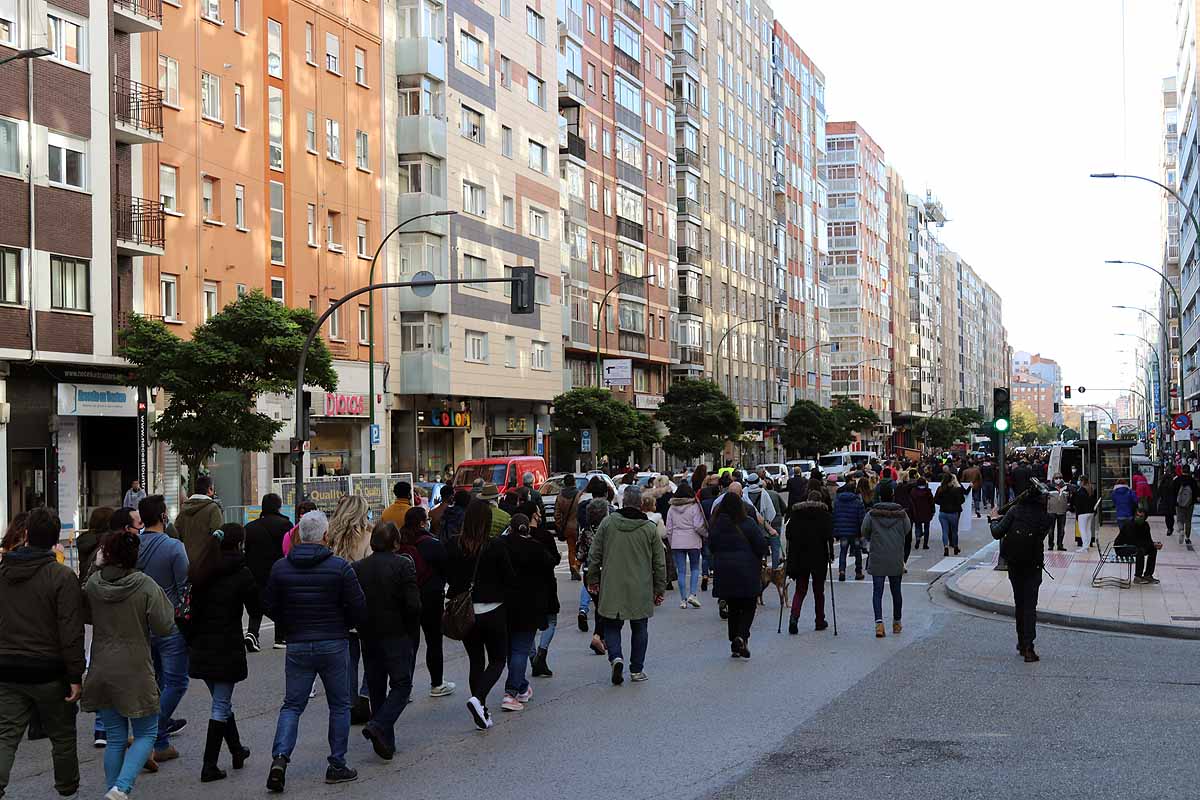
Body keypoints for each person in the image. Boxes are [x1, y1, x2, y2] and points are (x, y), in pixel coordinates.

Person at [263, 510, 368, 792]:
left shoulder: (281, 568)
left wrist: (288, 624)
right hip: (333, 641)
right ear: (325, 536)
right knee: (339, 704)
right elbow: (359, 607)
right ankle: (337, 764)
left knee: (293, 705)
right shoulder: (339, 567)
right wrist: (344, 624)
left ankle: (280, 759)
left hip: (298, 642)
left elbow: (269, 604)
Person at [82, 527, 176, 800]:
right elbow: (164, 624)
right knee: (147, 732)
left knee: (115, 736)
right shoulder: (145, 584)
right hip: (135, 666)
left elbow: (85, 613)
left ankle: (112, 789)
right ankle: (121, 787)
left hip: (101, 666)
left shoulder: (94, 584)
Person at [0, 508, 85, 799]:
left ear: (25, 535)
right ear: (54, 540)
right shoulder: (61, 577)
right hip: (49, 668)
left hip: (7, 665)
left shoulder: (3, 571)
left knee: (6, 733)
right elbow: (71, 630)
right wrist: (75, 674)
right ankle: (67, 786)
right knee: (62, 734)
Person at [186, 522, 260, 782]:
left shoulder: (201, 570)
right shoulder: (241, 572)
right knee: (220, 705)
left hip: (202, 644)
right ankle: (209, 765)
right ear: (240, 544)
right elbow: (255, 606)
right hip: (227, 645)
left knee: (221, 701)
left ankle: (237, 750)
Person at [352, 521, 420, 760]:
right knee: (402, 685)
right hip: (397, 633)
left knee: (377, 687)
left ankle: (385, 742)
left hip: (369, 635)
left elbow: (355, 602)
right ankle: (379, 726)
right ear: (395, 543)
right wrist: (411, 630)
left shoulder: (359, 567)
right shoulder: (403, 565)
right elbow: (413, 605)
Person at [585, 486, 667, 685]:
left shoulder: (608, 524)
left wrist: (593, 579)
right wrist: (659, 589)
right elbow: (659, 562)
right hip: (640, 586)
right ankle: (637, 669)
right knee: (640, 627)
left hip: (612, 583)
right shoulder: (648, 528)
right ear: (640, 504)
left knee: (612, 624)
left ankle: (616, 657)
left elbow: (594, 555)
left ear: (623, 502)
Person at [444, 500, 514, 730]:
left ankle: (481, 708)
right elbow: (509, 578)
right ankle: (479, 699)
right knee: (497, 659)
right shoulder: (496, 546)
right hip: (492, 609)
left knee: (476, 660)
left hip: (465, 612)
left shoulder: (454, 544)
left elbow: (448, 576)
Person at [135, 494, 191, 765]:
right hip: (169, 623)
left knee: (156, 682)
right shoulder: (174, 547)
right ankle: (152, 734)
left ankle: (160, 742)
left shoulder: (132, 546)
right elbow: (185, 588)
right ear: (163, 517)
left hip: (140, 623)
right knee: (177, 681)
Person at [500, 511, 558, 712]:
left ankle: (522, 686)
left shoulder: (502, 546)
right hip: (530, 605)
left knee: (512, 649)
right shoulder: (536, 548)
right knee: (521, 649)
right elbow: (550, 565)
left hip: (505, 604)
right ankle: (511, 692)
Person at [989, 485, 1053, 662]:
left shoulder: (1015, 511)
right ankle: (1029, 646)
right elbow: (1040, 535)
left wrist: (994, 519)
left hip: (1015, 563)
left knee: (1020, 603)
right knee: (1030, 605)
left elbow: (997, 533)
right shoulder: (1046, 518)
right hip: (1033, 563)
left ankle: (1021, 641)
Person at [327, 495, 373, 725]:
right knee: (372, 654)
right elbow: (371, 570)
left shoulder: (331, 538)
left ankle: (351, 702)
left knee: (349, 659)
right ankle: (366, 694)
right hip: (363, 602)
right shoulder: (368, 536)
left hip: (338, 604)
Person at [708, 484, 768, 658]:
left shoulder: (716, 525)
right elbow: (761, 545)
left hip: (724, 570)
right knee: (749, 605)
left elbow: (711, 547)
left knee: (733, 606)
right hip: (747, 570)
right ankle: (741, 636)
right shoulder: (747, 523)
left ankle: (734, 640)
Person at [400, 508, 454, 699]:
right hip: (432, 596)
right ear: (423, 523)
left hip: (407, 597)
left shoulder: (401, 541)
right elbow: (446, 569)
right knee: (433, 640)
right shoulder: (433, 544)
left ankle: (403, 688)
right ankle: (437, 683)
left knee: (409, 642)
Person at [861, 483, 911, 638]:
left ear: (880, 496)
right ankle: (897, 622)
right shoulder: (901, 514)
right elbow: (907, 530)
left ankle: (879, 624)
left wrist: (873, 538)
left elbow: (864, 530)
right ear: (893, 495)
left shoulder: (872, 514)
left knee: (877, 592)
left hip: (878, 556)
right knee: (896, 591)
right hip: (896, 556)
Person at [243, 493, 291, 652]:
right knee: (279, 603)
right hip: (277, 571)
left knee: (256, 607)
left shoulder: (250, 527)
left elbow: (246, 551)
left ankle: (252, 633)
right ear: (279, 506)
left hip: (254, 573)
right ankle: (280, 637)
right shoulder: (285, 525)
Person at [786, 491, 835, 634]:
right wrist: (831, 554)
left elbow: (788, 534)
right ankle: (819, 620)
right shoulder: (825, 516)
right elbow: (829, 537)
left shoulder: (796, 514)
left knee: (800, 590)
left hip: (800, 557)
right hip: (819, 557)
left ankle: (794, 618)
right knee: (819, 590)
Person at [576, 486, 611, 653]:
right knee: (604, 607)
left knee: (599, 605)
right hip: (605, 571)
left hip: (589, 572)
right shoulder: (609, 530)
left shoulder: (585, 531)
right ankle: (598, 636)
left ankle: (601, 638)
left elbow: (579, 554)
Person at [175, 474, 224, 589]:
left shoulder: (183, 509)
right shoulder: (213, 508)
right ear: (210, 489)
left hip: (185, 565)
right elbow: (218, 537)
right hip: (206, 567)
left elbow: (176, 534)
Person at [666, 482, 706, 609]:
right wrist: (705, 534)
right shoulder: (694, 506)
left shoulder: (672, 508)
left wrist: (672, 542)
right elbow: (698, 525)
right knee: (695, 568)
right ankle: (692, 594)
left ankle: (683, 600)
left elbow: (669, 528)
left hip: (677, 541)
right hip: (693, 540)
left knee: (681, 571)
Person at [1115, 508, 1163, 585]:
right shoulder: (1129, 525)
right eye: (1137, 515)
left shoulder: (1145, 525)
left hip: (1135, 546)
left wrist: (1155, 544)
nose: (1138, 517)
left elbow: (1148, 540)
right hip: (1122, 547)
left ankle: (1148, 575)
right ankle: (1138, 576)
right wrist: (1149, 544)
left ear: (1145, 518)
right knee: (1139, 550)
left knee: (1153, 549)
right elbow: (1133, 542)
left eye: (1141, 516)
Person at [744, 473, 782, 568]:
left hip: (746, 526)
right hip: (761, 527)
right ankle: (769, 567)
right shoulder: (763, 493)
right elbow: (770, 512)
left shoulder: (744, 492)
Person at [832, 479, 866, 581]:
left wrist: (836, 530)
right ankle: (858, 572)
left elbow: (835, 516)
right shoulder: (857, 502)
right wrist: (862, 531)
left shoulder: (837, 501)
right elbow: (862, 518)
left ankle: (842, 571)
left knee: (843, 551)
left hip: (842, 530)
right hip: (855, 530)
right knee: (857, 551)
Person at [933, 475, 966, 557]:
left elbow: (936, 500)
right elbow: (962, 500)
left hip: (943, 512)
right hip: (953, 512)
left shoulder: (940, 489)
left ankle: (945, 547)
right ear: (952, 481)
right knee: (954, 531)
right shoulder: (956, 489)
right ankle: (955, 547)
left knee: (945, 531)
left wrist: (942, 503)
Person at [1172, 466, 1199, 544]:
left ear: (1182, 470)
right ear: (1189, 471)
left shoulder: (1177, 480)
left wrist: (1174, 502)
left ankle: (1181, 530)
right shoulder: (1192, 481)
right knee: (1188, 520)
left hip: (1179, 503)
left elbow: (1173, 492)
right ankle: (1187, 537)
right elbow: (1196, 492)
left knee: (1180, 519)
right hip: (1190, 504)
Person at [1072, 475, 1098, 550]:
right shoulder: (1090, 489)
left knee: (1082, 530)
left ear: (1082, 481)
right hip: (1090, 512)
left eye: (1079, 480)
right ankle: (1087, 545)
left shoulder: (1080, 491)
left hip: (1082, 513)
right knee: (1088, 529)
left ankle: (1084, 546)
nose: (1078, 482)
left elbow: (1077, 503)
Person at [1045, 476, 1070, 551]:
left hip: (1062, 511)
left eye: (1060, 477)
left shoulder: (1065, 487)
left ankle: (1060, 545)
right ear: (1053, 479)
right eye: (1056, 478)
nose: (1058, 479)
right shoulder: (1049, 486)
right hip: (1051, 511)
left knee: (1061, 530)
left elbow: (1069, 497)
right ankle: (1051, 545)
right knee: (1050, 530)